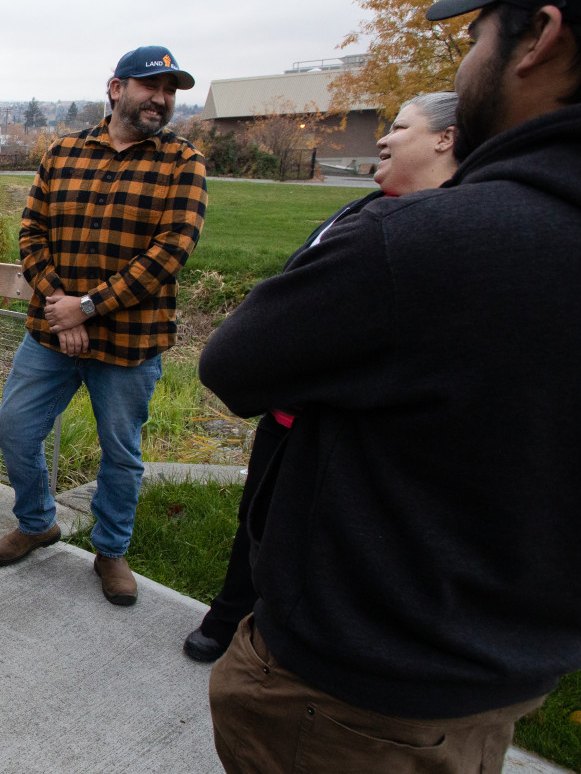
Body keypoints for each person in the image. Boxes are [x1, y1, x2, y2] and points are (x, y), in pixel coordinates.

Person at [201, 0, 581, 770]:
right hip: (496, 683)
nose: (468, 57)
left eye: (480, 30)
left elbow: (234, 363)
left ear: (540, 37)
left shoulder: (424, 243)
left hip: (348, 698)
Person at [181, 91, 458, 665]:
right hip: (287, 418)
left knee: (323, 544)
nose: (382, 138)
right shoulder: (360, 211)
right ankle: (231, 614)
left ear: (445, 138)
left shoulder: (446, 231)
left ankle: (294, 642)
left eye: (400, 127)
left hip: (351, 435)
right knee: (257, 520)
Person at [0, 46, 207, 608]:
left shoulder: (184, 163)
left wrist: (88, 307)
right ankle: (37, 521)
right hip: (51, 334)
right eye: (149, 86)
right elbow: (32, 233)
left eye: (170, 90)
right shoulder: (62, 153)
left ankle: (111, 549)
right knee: (14, 428)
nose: (161, 99)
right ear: (116, 88)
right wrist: (62, 305)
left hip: (130, 345)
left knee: (121, 453)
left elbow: (168, 254)